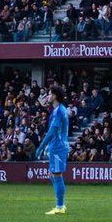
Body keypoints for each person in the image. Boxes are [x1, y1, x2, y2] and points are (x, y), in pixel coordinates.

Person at [35, 85, 71, 215]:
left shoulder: (58, 111)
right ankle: (60, 204)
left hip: (58, 147)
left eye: (50, 94)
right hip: (57, 146)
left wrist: (41, 146)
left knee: (56, 174)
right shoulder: (60, 109)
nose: (48, 96)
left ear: (55, 96)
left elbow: (52, 131)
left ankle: (60, 206)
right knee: (53, 174)